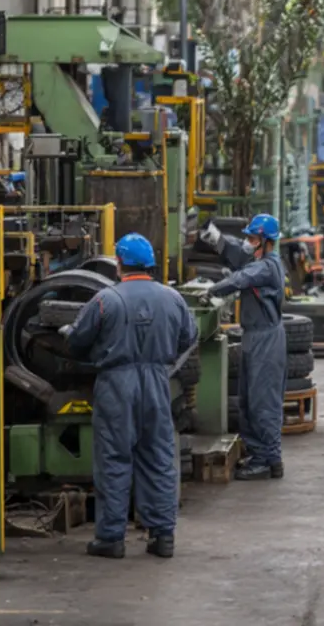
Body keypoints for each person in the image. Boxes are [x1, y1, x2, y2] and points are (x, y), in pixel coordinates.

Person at [61, 233, 198, 560]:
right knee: (159, 457)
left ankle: (111, 538)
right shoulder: (172, 298)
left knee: (114, 458)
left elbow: (77, 341)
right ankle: (163, 536)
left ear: (118, 263)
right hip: (155, 381)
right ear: (149, 264)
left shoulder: (105, 300)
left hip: (117, 384)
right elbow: (189, 337)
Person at [201, 214, 288, 480]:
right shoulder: (259, 259)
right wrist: (215, 239)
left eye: (252, 238)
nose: (248, 243)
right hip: (254, 336)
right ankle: (260, 454)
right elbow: (240, 254)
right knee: (249, 400)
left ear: (266, 241)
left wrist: (211, 290)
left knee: (264, 401)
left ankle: (269, 460)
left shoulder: (267, 267)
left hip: (266, 339)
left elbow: (240, 278)